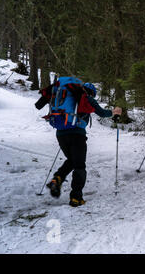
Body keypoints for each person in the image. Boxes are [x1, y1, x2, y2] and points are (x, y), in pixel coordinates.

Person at [35, 78, 121, 207]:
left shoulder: (64, 93)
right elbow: (102, 112)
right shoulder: (85, 96)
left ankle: (57, 178)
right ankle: (76, 197)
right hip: (77, 135)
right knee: (79, 166)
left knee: (72, 160)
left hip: (61, 133)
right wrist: (114, 112)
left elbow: (38, 105)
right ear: (91, 92)